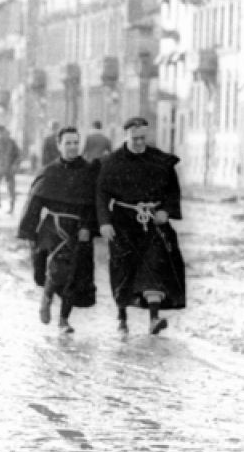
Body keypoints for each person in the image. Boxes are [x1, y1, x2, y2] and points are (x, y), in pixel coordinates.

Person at [96, 117, 186, 338]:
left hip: (153, 222)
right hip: (123, 223)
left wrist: (166, 210)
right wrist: (105, 222)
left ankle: (154, 318)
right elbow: (101, 194)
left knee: (154, 266)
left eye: (142, 138)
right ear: (125, 135)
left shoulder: (159, 161)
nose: (138, 143)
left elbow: (172, 191)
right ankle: (122, 318)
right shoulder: (111, 163)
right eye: (134, 138)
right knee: (123, 269)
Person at [17, 126, 99, 333]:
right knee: (57, 269)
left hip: (79, 228)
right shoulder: (50, 171)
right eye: (68, 143)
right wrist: (28, 231)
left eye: (75, 143)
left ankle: (64, 320)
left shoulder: (88, 171)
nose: (72, 147)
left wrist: (88, 227)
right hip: (53, 227)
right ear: (59, 146)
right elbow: (34, 202)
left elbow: (93, 204)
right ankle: (47, 297)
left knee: (75, 274)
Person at [0, 125, 21, 213]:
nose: (0, 134)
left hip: (9, 168)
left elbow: (18, 155)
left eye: (2, 132)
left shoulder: (12, 142)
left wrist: (15, 165)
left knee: (11, 188)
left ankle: (12, 207)